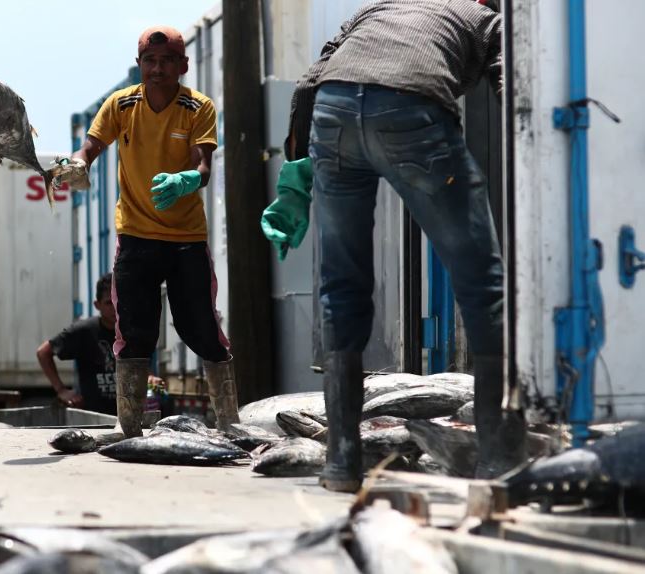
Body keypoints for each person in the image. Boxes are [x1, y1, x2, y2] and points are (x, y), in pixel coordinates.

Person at [267, 0, 525, 493]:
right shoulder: (487, 21)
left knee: (341, 286)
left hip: (332, 116)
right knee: (483, 286)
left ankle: (342, 464)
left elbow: (306, 86)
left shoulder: (376, 10)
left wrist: (295, 174)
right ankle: (498, 463)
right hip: (412, 115)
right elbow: (510, 88)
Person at [50, 25, 238, 437]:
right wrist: (78, 164)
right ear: (139, 66)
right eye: (150, 61)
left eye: (167, 60)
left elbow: (203, 165)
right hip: (135, 236)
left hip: (186, 238)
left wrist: (188, 179)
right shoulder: (121, 104)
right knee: (133, 331)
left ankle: (229, 422)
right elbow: (91, 148)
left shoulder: (198, 107)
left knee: (202, 328)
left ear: (183, 66)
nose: (158, 69)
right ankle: (129, 427)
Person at [36, 273, 163, 415]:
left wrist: (151, 379)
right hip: (92, 419)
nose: (115, 308)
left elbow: (142, 366)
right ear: (97, 305)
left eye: (118, 301)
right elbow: (43, 352)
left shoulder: (132, 332)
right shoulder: (84, 331)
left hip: (128, 417)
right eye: (109, 302)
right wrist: (61, 390)